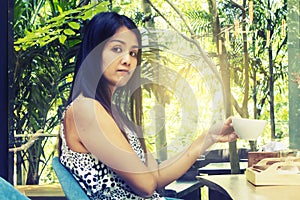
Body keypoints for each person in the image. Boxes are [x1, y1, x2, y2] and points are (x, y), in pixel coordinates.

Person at [58, 11, 238, 200]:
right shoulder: (85, 109)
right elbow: (146, 186)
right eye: (117, 49)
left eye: (133, 53)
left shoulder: (113, 114)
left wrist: (208, 137)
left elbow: (157, 177)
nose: (128, 60)